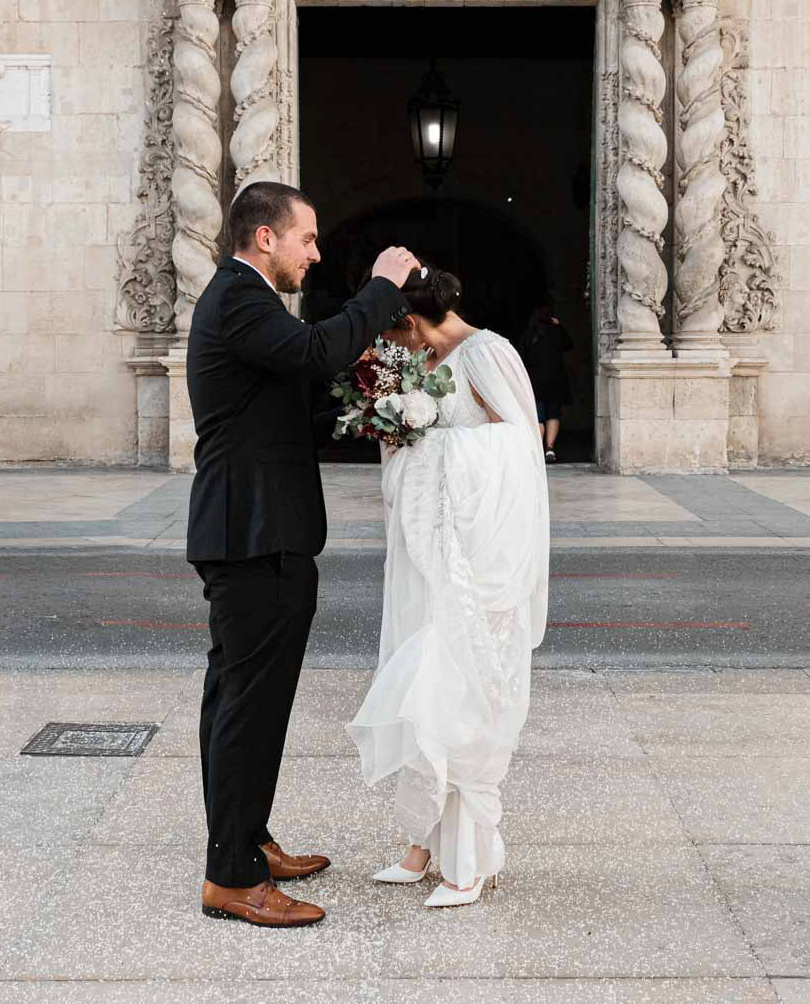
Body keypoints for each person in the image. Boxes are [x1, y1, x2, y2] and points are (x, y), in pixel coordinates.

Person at [186, 180, 420, 928]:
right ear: (266, 238)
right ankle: (232, 877)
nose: (314, 254)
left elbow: (298, 389)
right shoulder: (238, 298)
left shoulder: (248, 302)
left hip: (260, 529)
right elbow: (317, 350)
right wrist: (382, 288)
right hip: (254, 534)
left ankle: (247, 841)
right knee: (247, 707)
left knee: (244, 701)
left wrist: (378, 401)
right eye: (308, 238)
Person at [347, 267, 551, 909]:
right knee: (424, 681)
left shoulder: (488, 353)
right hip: (431, 550)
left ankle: (468, 859)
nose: (391, 350)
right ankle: (424, 843)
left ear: (410, 323)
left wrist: (430, 445)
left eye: (392, 337)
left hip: (476, 558)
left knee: (462, 690)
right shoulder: (421, 360)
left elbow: (517, 449)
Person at [518, 301, 572, 463]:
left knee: (538, 417)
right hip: (555, 380)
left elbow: (520, 356)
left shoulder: (529, 334)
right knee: (553, 414)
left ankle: (537, 450)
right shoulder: (556, 331)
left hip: (535, 382)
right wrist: (559, 325)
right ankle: (549, 448)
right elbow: (569, 345)